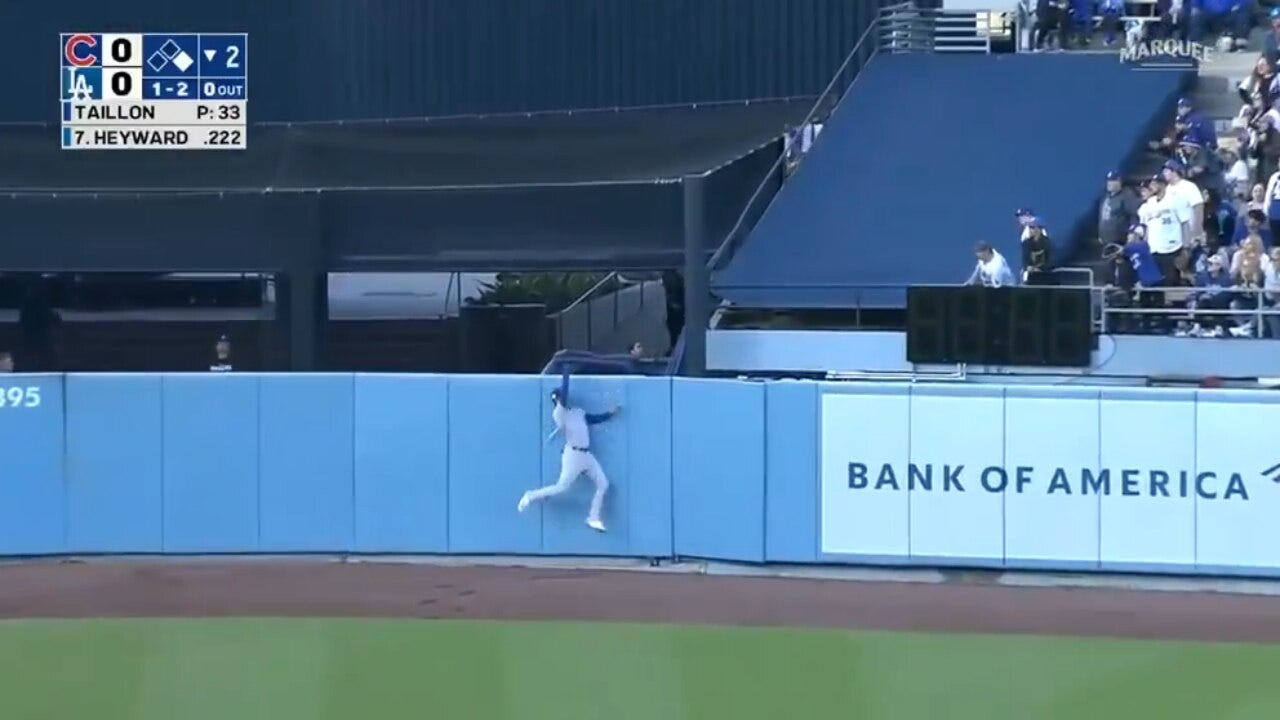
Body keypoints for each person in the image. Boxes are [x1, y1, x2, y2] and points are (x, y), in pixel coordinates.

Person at [517, 371, 621, 532]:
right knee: (562, 487)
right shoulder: (558, 413)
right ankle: (531, 495)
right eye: (559, 397)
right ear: (557, 400)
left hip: (586, 454)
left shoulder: (577, 412)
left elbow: (593, 419)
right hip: (572, 455)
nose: (562, 398)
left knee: (603, 484)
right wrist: (566, 371)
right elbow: (564, 394)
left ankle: (593, 517)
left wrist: (610, 414)